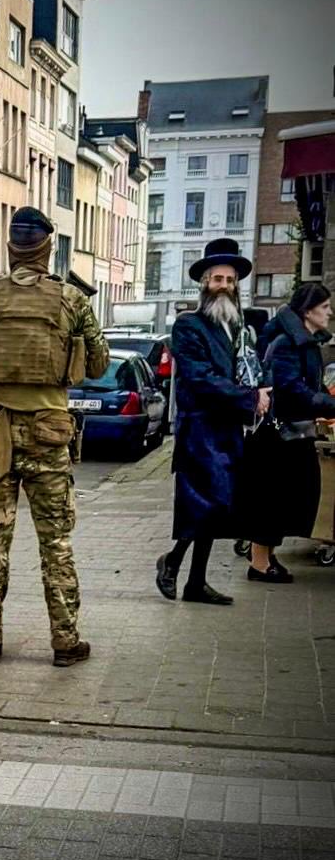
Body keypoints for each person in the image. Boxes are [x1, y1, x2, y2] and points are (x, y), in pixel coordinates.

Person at [0, 206, 109, 667]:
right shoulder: (72, 300)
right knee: (56, 542)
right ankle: (65, 641)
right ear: (48, 247)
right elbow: (97, 365)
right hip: (50, 434)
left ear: (11, 248)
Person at [155, 238, 271, 605]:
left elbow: (242, 371)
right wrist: (249, 397)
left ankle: (195, 582)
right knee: (201, 502)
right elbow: (200, 378)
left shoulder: (236, 328)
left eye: (230, 280)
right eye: (217, 279)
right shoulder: (188, 326)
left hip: (226, 427)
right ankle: (172, 563)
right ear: (204, 283)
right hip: (199, 427)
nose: (224, 286)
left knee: (219, 504)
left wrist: (258, 391)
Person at [238, 283, 335, 582]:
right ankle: (259, 563)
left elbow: (309, 389)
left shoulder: (303, 342)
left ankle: (264, 557)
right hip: (278, 435)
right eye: (325, 307)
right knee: (273, 500)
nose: (330, 312)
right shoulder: (287, 343)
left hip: (291, 433)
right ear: (308, 311)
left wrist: (326, 401)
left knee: (284, 499)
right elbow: (291, 390)